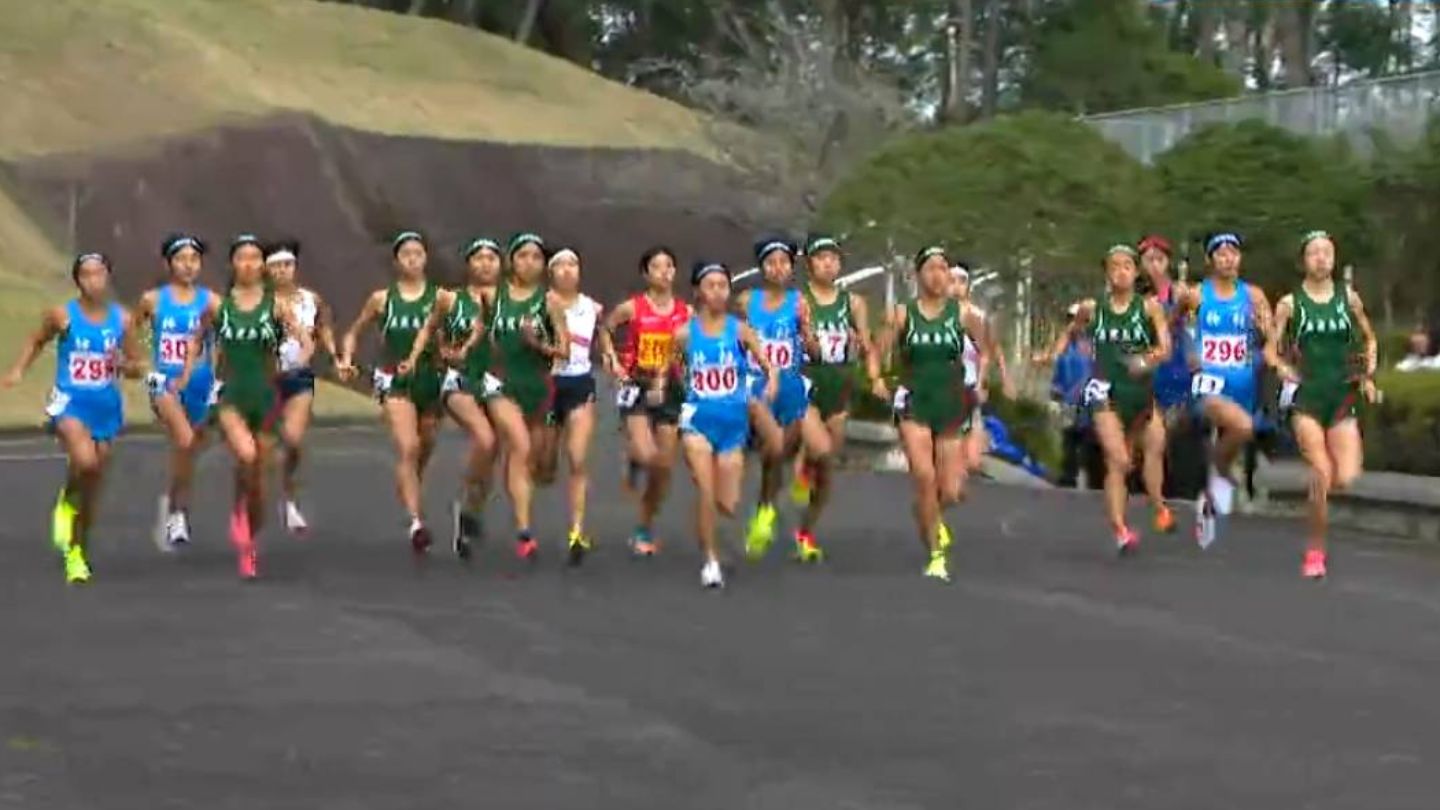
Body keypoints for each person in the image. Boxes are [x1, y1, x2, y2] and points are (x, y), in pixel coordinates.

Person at [3, 253, 145, 583]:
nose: (93, 281)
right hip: (70, 402)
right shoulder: (62, 316)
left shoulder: (122, 320)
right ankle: (69, 520)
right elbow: (36, 340)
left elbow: (138, 364)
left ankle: (77, 544)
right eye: (87, 275)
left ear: (107, 277)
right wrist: (17, 371)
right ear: (78, 280)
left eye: (99, 274)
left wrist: (127, 367)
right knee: (87, 461)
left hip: (105, 406)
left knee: (93, 482)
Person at [177, 234, 313, 580]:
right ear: (233, 264)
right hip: (232, 397)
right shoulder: (219, 307)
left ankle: (248, 533)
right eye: (243, 258)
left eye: (256, 258)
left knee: (258, 483)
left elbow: (306, 339)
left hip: (266, 398)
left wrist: (295, 364)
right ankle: (244, 534)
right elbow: (196, 340)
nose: (250, 264)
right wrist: (188, 372)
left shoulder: (275, 306)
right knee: (248, 456)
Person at [868, 245, 987, 583]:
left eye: (944, 268)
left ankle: (926, 509)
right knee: (924, 475)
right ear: (919, 274)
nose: (939, 275)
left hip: (950, 401)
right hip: (914, 399)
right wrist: (876, 378)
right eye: (932, 268)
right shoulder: (902, 314)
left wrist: (982, 381)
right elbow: (877, 352)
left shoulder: (963, 315)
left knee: (948, 490)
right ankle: (936, 553)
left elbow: (987, 351)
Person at [1266, 230, 1378, 579]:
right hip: (1308, 397)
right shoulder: (1290, 303)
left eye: (1326, 252)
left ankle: (1320, 490)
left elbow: (1369, 338)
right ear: (1303, 261)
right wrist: (1284, 369)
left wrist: (1368, 369)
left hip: (1342, 395)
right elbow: (1270, 349)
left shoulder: (1349, 298)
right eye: (1314, 253)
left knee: (1346, 476)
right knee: (1321, 472)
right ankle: (1315, 550)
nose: (1321, 258)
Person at [1055, 245, 1172, 555]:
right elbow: (1072, 331)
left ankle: (1157, 503)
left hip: (1139, 392)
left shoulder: (1149, 309)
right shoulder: (1093, 308)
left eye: (1126, 266)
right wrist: (1052, 354)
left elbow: (1165, 348)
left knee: (1149, 450)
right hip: (1104, 390)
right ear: (1106, 273)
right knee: (1118, 460)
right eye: (1114, 266)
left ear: (1135, 272)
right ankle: (1120, 529)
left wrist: (1146, 361)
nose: (1120, 272)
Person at [336, 231, 445, 554]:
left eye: (418, 253)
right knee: (408, 446)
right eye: (406, 254)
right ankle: (416, 522)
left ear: (426, 258)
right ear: (397, 261)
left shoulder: (441, 298)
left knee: (425, 444)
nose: (412, 259)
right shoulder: (382, 299)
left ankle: (411, 485)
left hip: (430, 379)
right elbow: (354, 332)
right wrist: (346, 359)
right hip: (395, 379)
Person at [675, 261, 780, 588]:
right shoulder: (682, 334)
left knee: (727, 503)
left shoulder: (740, 330)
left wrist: (770, 383)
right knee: (706, 492)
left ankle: (717, 538)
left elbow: (768, 365)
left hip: (733, 425)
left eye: (723, 285)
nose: (719, 291)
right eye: (711, 285)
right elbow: (674, 370)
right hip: (698, 420)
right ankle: (710, 560)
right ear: (698, 291)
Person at [468, 232, 570, 562]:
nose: (530, 262)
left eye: (537, 257)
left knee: (533, 463)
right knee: (520, 445)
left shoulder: (549, 301)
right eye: (523, 255)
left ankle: (472, 508)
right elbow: (477, 336)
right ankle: (524, 531)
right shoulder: (492, 297)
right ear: (511, 260)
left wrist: (538, 343)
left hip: (535, 385)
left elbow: (564, 350)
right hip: (500, 383)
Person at [1172, 232, 1274, 545]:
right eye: (1222, 253)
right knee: (1241, 428)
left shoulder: (1253, 296)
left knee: (1239, 431)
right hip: (1208, 383)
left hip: (1243, 382)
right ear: (1211, 260)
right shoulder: (1196, 296)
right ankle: (1219, 472)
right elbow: (1175, 325)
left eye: (1234, 253)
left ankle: (1215, 479)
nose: (1229, 259)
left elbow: (1272, 337)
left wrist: (1264, 330)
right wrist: (1190, 353)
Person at [404, 238, 502, 561]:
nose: (486, 263)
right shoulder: (450, 299)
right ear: (468, 264)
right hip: (457, 379)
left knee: (492, 452)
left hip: (494, 381)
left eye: (492, 258)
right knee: (485, 439)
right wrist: (430, 353)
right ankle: (462, 506)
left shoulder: (509, 302)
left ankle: (469, 510)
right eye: (479, 258)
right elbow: (429, 329)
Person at [739, 237, 832, 563]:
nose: (778, 268)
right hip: (757, 388)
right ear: (761, 267)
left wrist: (808, 336)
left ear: (792, 267)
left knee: (822, 452)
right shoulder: (747, 300)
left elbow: (816, 352)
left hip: (791, 387)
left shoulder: (799, 302)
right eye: (771, 262)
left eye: (784, 262)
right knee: (774, 451)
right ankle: (765, 511)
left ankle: (803, 529)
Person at [599, 246, 690, 558]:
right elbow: (606, 330)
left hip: (671, 390)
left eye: (669, 266)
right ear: (645, 273)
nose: (664, 271)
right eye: (656, 266)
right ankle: (635, 458)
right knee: (648, 454)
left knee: (663, 467)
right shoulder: (633, 308)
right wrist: (613, 361)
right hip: (638, 385)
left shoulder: (685, 312)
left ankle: (644, 526)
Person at [789, 235, 872, 558]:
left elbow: (866, 343)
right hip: (807, 382)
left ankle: (806, 531)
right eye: (821, 258)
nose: (828, 263)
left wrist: (870, 361)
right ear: (809, 264)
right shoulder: (798, 301)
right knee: (819, 448)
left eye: (833, 258)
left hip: (839, 385)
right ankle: (804, 462)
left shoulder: (854, 303)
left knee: (827, 467)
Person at [135, 233, 216, 551]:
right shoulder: (152, 300)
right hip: (165, 383)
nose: (188, 266)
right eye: (181, 259)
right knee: (183, 440)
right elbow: (129, 339)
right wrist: (145, 370)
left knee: (189, 449)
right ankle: (178, 515)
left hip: (200, 382)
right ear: (169, 263)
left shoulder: (211, 301)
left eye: (194, 260)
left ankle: (176, 504)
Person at [265, 239, 338, 535]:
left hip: (299, 377)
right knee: (265, 444)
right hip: (266, 377)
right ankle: (260, 494)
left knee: (292, 440)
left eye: (287, 265)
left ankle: (289, 498)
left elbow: (324, 326)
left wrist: (333, 354)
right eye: (276, 266)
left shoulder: (311, 299)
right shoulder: (258, 301)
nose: (282, 271)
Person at [535, 247, 601, 564]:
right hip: (548, 387)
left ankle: (577, 530)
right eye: (559, 265)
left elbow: (604, 336)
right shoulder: (539, 304)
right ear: (550, 272)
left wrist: (615, 360)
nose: (566, 270)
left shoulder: (592, 307)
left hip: (580, 384)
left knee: (577, 457)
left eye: (572, 264)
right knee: (545, 469)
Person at [951, 261, 1015, 474]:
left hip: (967, 385)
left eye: (961, 282)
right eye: (952, 281)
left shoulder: (974, 316)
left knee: (970, 459)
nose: (956, 286)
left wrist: (984, 382)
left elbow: (990, 351)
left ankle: (977, 446)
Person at [1048, 303, 1096, 489]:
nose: (1074, 324)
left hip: (1091, 402)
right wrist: (1055, 395)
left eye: (1078, 319)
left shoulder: (1093, 345)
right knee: (1069, 440)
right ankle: (1069, 477)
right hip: (1069, 401)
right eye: (1070, 319)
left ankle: (1093, 479)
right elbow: (1058, 372)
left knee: (1090, 443)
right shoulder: (1066, 349)